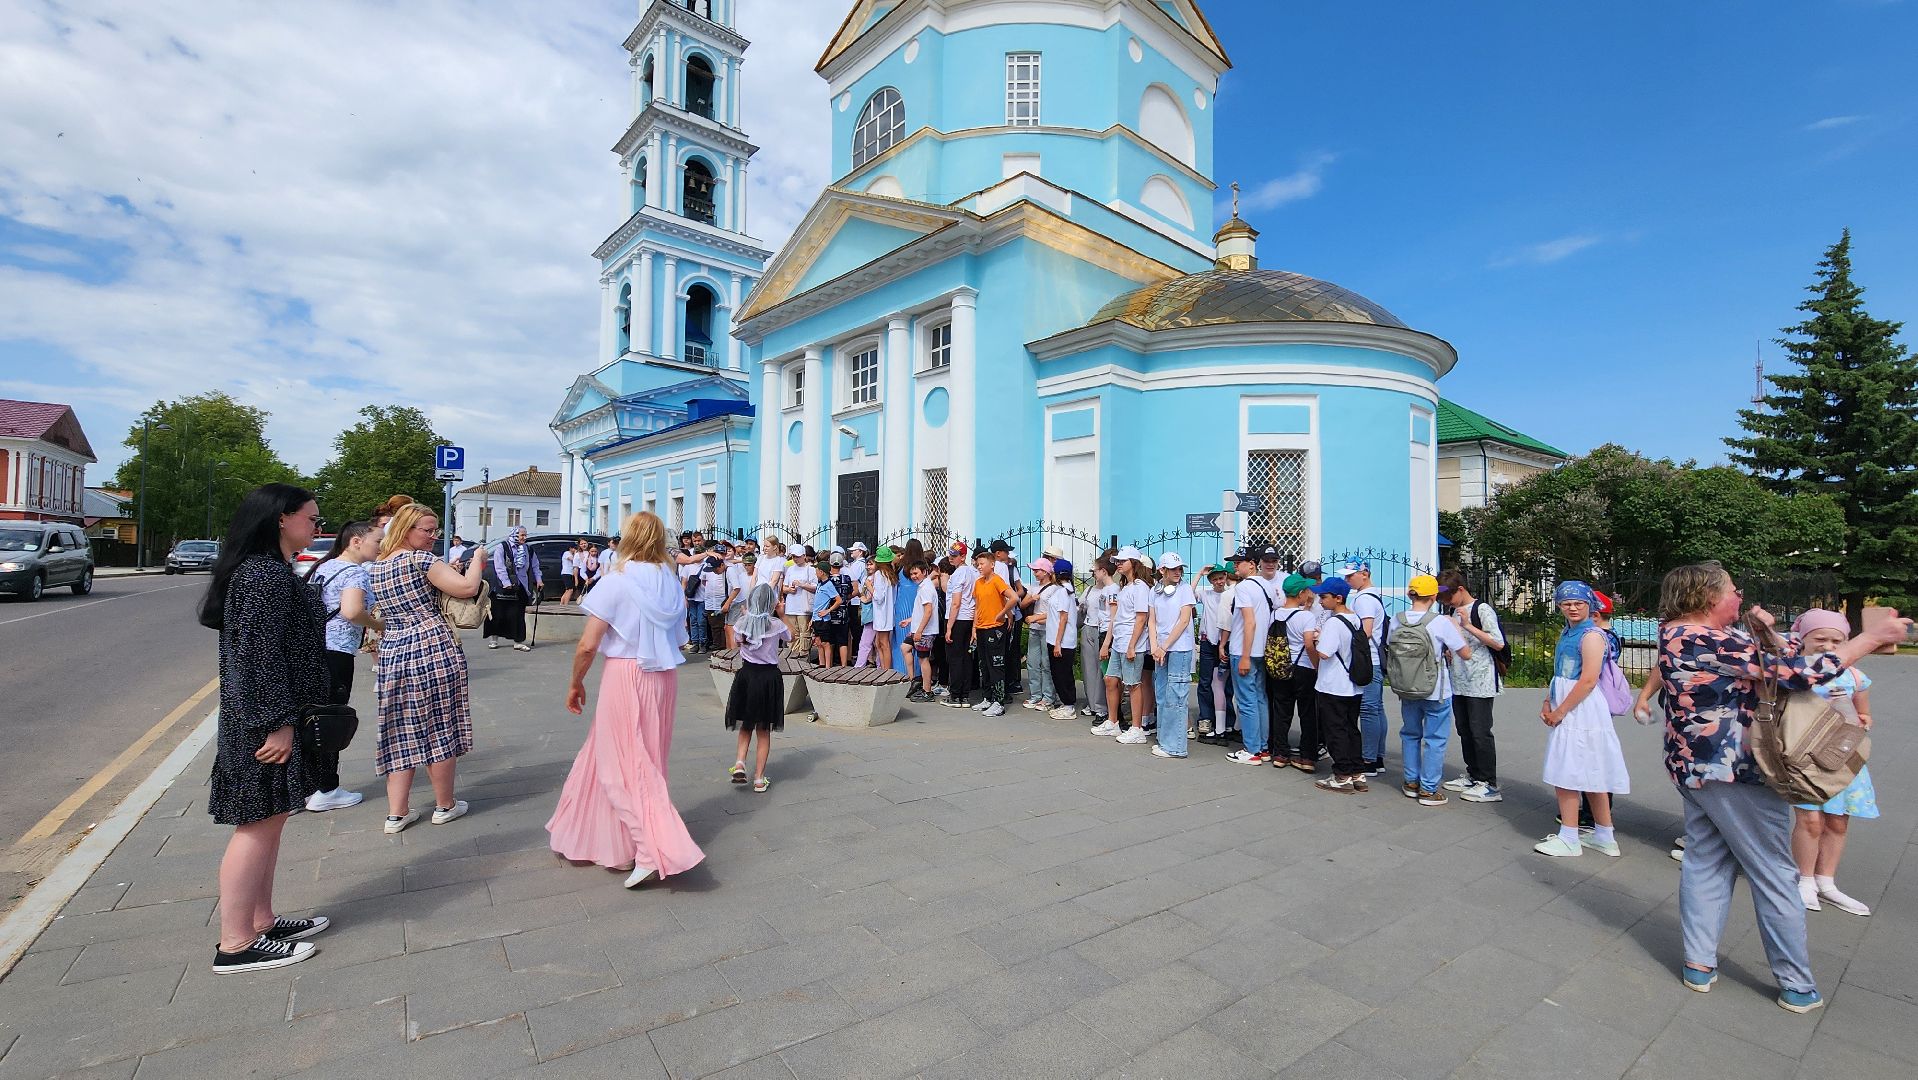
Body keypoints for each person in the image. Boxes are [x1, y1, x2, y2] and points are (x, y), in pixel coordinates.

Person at [1653, 563, 1906, 1011]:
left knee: (1707, 862)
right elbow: (1795, 673)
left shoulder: (1681, 634)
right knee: (1775, 875)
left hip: (1697, 770)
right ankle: (1796, 985)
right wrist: (1868, 640)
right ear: (1709, 598)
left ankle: (1699, 964)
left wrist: (1767, 629)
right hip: (1735, 774)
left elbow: (1774, 655)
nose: (1739, 596)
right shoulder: (1697, 637)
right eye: (1733, 591)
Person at [198, 483, 331, 973]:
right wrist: (278, 724)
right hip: (262, 722)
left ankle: (261, 921)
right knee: (256, 826)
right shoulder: (262, 576)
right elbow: (258, 660)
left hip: (265, 716)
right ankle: (235, 944)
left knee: (270, 822)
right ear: (281, 518)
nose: (317, 528)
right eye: (313, 519)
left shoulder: (269, 571)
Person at [548, 512, 706, 887]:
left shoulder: (617, 580)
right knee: (638, 758)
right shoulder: (669, 578)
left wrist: (575, 682)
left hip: (627, 673)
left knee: (622, 764)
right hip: (663, 675)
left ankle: (653, 848)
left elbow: (588, 644)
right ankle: (610, 842)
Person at [368, 503, 486, 834]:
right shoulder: (420, 560)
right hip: (431, 645)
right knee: (440, 722)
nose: (434, 536)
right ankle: (445, 805)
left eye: (436, 530)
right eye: (427, 530)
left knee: (400, 726)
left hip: (393, 647)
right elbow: (467, 588)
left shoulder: (377, 565)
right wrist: (477, 562)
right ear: (406, 529)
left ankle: (397, 813)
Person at [1787, 609, 1877, 916]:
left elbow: (1863, 714)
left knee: (1838, 821)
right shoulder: (1796, 671)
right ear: (1803, 639)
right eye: (1819, 638)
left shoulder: (1853, 675)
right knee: (1810, 821)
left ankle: (1827, 882)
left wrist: (1862, 720)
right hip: (1806, 759)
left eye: (1836, 640)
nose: (1827, 645)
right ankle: (1805, 880)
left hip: (1843, 758)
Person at [1531, 582, 1630, 856]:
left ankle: (1570, 837)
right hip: (1572, 704)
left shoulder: (1591, 636)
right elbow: (1560, 674)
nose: (1572, 607)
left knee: (1568, 770)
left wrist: (1560, 710)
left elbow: (1587, 681)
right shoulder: (1570, 632)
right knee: (1591, 770)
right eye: (1566, 603)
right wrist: (1549, 700)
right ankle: (1604, 835)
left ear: (1590, 605)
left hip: (1580, 709)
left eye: (1578, 603)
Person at [303, 520, 383, 812]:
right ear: (356, 541)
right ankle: (328, 788)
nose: (381, 546)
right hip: (336, 652)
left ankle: (309, 786)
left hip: (314, 650)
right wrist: (377, 624)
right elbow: (351, 612)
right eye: (377, 541)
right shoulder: (355, 573)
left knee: (313, 717)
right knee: (331, 719)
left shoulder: (325, 567)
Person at [1389, 574, 1472, 806]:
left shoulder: (1397, 620)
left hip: (1406, 686)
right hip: (1435, 689)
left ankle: (1410, 781)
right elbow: (1465, 653)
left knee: (1410, 734)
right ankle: (1428, 789)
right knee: (1435, 739)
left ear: (1410, 594)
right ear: (1434, 596)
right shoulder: (1440, 622)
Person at [723, 583, 790, 793]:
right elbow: (791, 637)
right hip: (769, 677)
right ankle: (759, 779)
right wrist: (782, 614)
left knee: (745, 724)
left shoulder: (742, 623)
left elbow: (739, 641)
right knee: (763, 729)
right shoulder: (776, 625)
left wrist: (746, 615)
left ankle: (740, 762)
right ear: (771, 603)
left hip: (747, 675)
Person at [1311, 578, 1367, 793]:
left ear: (1338, 598)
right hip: (1353, 685)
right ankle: (1357, 771)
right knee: (1351, 728)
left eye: (1324, 597)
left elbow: (1324, 653)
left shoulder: (1335, 622)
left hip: (1333, 685)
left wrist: (1317, 639)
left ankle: (1342, 774)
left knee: (1335, 730)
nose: (1320, 600)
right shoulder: (1356, 619)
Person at [1096, 547, 1152, 742]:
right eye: (1117, 561)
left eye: (1122, 561)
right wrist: (1107, 643)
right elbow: (1117, 617)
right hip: (1119, 642)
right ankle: (1113, 722)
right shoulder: (1126, 587)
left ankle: (1137, 728)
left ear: (1134, 563)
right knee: (1110, 679)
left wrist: (1132, 645)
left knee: (1133, 684)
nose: (1118, 564)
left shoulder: (1140, 587)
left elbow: (1141, 618)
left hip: (1131, 643)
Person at [1147, 553, 1198, 759]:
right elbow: (1152, 621)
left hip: (1178, 649)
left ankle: (1176, 746)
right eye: (1173, 569)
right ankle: (1164, 739)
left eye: (1180, 569)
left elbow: (1184, 621)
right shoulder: (1154, 591)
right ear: (1162, 570)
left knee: (1176, 697)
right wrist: (1154, 646)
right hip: (1161, 649)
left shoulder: (1185, 590)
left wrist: (1164, 647)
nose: (1178, 572)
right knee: (1161, 695)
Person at [1342, 561, 1389, 777]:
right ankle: (1377, 756)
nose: (1347, 580)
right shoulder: (1372, 595)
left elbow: (1366, 631)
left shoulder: (1363, 600)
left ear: (1364, 574)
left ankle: (1369, 759)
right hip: (1374, 660)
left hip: (1367, 660)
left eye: (1351, 575)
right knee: (1376, 708)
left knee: (1368, 709)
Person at [1225, 550, 1272, 765]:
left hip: (1244, 650)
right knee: (1260, 697)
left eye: (1239, 562)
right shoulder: (1266, 585)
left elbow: (1249, 622)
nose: (1235, 566)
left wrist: (1244, 655)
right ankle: (1262, 746)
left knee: (1246, 700)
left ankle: (1252, 749)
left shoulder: (1243, 588)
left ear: (1251, 564)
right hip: (1261, 650)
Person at [1271, 573, 1321, 771]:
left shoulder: (1275, 614)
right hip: (1304, 667)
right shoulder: (1306, 616)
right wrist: (1317, 664)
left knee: (1281, 711)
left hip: (1280, 666)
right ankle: (1307, 756)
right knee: (1307, 713)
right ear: (1300, 593)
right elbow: (1309, 644)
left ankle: (1280, 753)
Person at [967, 548, 1019, 717]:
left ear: (992, 564)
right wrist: (974, 627)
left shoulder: (997, 581)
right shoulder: (979, 583)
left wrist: (1002, 612)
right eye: (978, 564)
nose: (979, 567)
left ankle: (999, 702)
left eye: (982, 564)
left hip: (995, 628)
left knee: (996, 665)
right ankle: (987, 697)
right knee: (984, 665)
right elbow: (978, 606)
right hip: (982, 628)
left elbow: (1013, 597)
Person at [483, 526, 542, 652]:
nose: (524, 538)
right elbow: (499, 566)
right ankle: (494, 639)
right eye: (522, 535)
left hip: (521, 585)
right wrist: (506, 582)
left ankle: (518, 641)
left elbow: (535, 565)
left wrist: (539, 580)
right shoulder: (502, 547)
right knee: (498, 613)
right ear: (515, 535)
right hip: (503, 586)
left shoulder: (528, 549)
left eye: (525, 535)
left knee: (517, 615)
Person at [1037, 558, 1080, 720]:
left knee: (1062, 674)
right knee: (1058, 673)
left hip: (1062, 641)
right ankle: (1065, 703)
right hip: (1056, 639)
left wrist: (1057, 643)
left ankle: (1069, 706)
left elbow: (1063, 618)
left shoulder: (1063, 592)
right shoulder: (1064, 589)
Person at [1196, 563, 1234, 739]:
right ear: (1210, 581)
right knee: (1205, 682)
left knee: (1225, 684)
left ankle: (1227, 720)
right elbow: (1189, 595)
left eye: (1221, 578)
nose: (1219, 582)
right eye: (1215, 579)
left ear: (1226, 577)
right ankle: (1206, 718)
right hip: (1208, 642)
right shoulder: (1206, 594)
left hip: (1225, 643)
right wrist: (1199, 573)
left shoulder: (1231, 595)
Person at [942, 543, 980, 709]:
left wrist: (949, 626)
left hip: (958, 618)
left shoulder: (958, 574)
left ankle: (956, 694)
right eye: (950, 554)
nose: (951, 557)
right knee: (966, 657)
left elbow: (956, 602)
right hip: (969, 618)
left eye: (955, 555)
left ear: (963, 556)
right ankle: (964, 695)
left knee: (955, 658)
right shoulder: (973, 572)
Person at [1079, 558, 1114, 722]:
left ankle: (1102, 706)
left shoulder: (1111, 590)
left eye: (1095, 570)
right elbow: (1082, 608)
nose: (1093, 573)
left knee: (1102, 670)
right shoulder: (1090, 589)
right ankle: (1092, 703)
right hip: (1088, 627)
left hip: (1102, 631)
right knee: (1088, 669)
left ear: (1103, 571)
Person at [866, 546, 900, 671]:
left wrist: (869, 586)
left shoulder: (880, 574)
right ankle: (884, 669)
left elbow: (879, 597)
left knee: (883, 643)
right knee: (879, 643)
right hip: (888, 612)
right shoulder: (890, 574)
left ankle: (886, 671)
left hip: (882, 613)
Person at [783, 545, 817, 656]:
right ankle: (793, 653)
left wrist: (802, 585)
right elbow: (783, 587)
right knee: (793, 632)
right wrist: (789, 589)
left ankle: (804, 654)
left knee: (804, 633)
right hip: (791, 606)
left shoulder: (811, 569)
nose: (795, 559)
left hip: (804, 607)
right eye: (793, 556)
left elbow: (815, 587)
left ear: (804, 556)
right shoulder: (790, 569)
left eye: (797, 556)